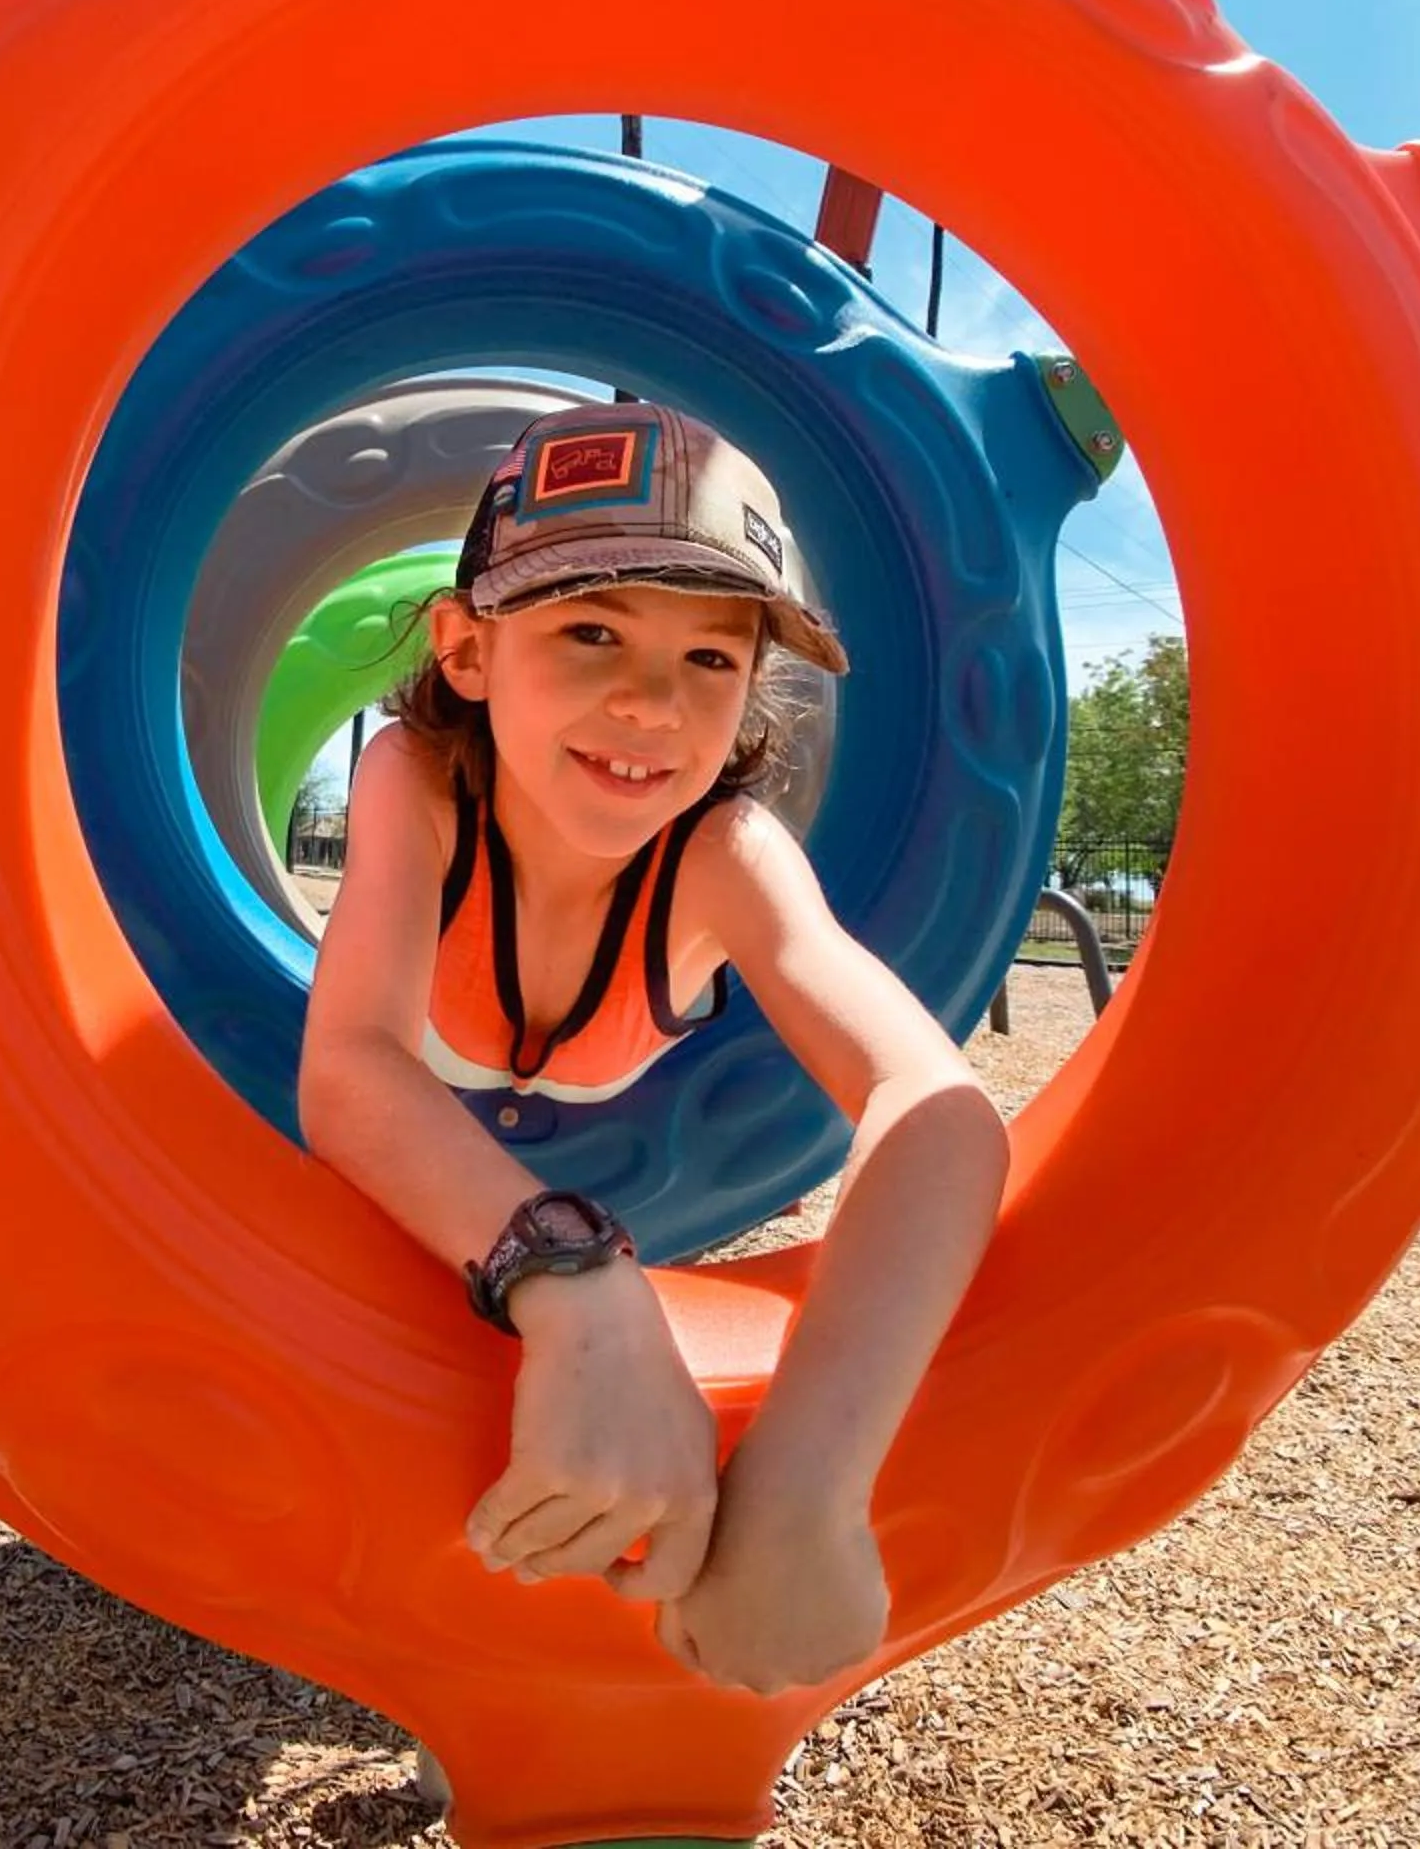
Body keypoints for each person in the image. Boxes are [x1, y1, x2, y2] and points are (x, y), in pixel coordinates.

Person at [298, 402, 1012, 1701]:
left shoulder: (722, 856)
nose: (648, 701)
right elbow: (348, 1069)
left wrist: (807, 1485)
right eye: (590, 630)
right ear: (468, 648)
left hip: (648, 1155)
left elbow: (938, 1108)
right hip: (435, 1125)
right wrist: (579, 1280)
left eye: (709, 659)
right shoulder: (419, 776)